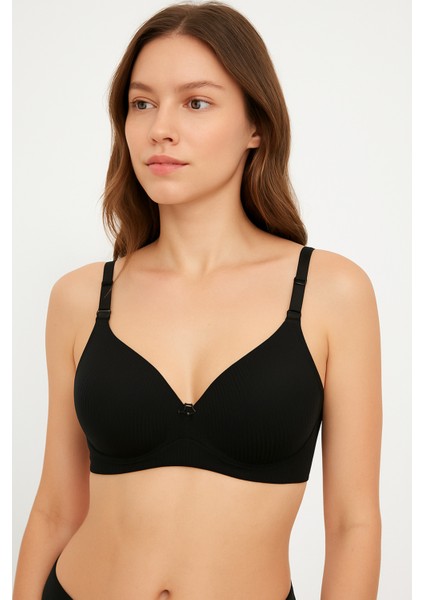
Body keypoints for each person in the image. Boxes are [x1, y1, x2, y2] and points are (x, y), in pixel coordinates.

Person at [13, 2, 382, 599]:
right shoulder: (81, 298)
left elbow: (353, 524)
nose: (160, 127)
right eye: (142, 103)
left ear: (257, 126)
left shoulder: (331, 293)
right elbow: (55, 510)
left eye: (196, 102)